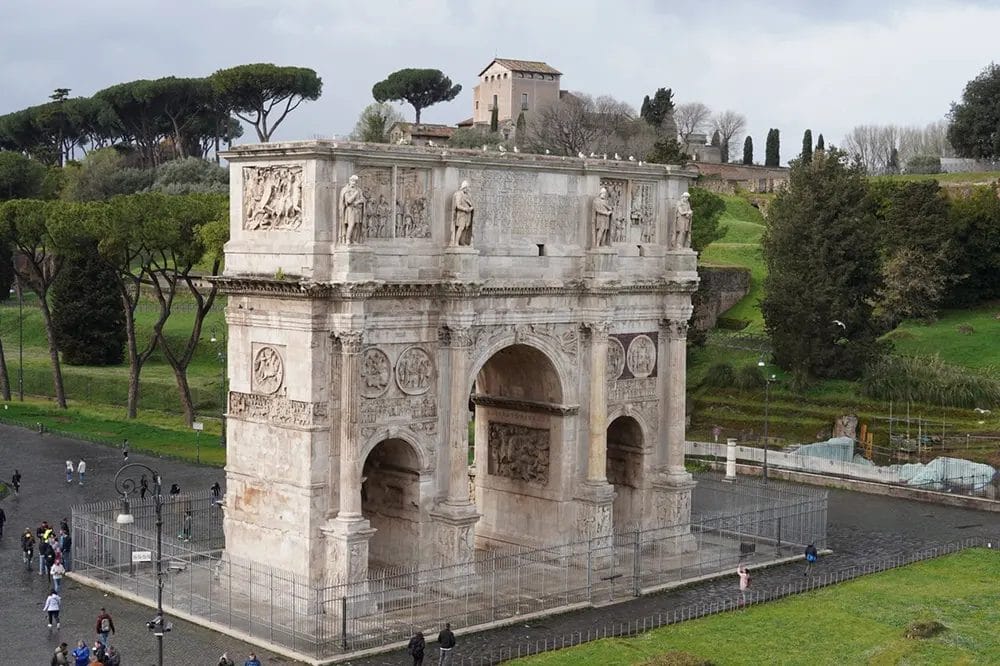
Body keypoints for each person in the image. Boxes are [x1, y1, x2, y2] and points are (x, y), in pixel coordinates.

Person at [339, 174, 365, 245]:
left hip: (357, 210)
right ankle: (347, 239)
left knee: (357, 225)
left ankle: (354, 240)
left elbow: (363, 199)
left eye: (355, 181)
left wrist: (358, 201)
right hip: (350, 209)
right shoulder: (346, 190)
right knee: (351, 225)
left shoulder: (358, 190)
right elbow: (348, 201)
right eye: (352, 181)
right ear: (350, 181)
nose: (354, 182)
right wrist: (355, 194)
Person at [451, 181, 474, 246]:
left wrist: (471, 208)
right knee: (461, 227)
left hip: (467, 214)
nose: (468, 189)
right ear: (464, 187)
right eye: (467, 187)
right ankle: (456, 242)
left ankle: (462, 241)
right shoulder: (459, 194)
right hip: (461, 214)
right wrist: (465, 209)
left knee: (465, 228)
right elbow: (458, 205)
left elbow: (470, 204)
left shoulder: (467, 195)